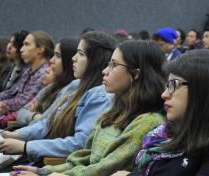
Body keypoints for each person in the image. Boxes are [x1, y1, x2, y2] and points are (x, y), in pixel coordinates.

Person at [11, 40, 166, 176]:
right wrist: (44, 171)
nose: (105, 71)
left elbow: (105, 168)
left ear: (136, 74)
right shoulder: (115, 110)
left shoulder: (148, 121)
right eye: (108, 64)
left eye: (114, 65)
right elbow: (86, 156)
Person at [0, 31, 116, 166]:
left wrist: (26, 146)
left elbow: (80, 144)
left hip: (50, 158)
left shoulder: (100, 96)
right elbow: (48, 122)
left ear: (95, 60)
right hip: (38, 148)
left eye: (80, 53)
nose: (74, 58)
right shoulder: (75, 85)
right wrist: (15, 135)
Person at [124, 49, 209, 176]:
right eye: (167, 85)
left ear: (204, 90)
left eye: (173, 85)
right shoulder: (165, 133)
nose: (164, 94)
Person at [16, 38, 77, 126]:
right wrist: (35, 116)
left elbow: (46, 122)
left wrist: (33, 116)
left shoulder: (71, 90)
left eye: (58, 56)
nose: (52, 60)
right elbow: (21, 113)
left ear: (69, 61)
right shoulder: (52, 86)